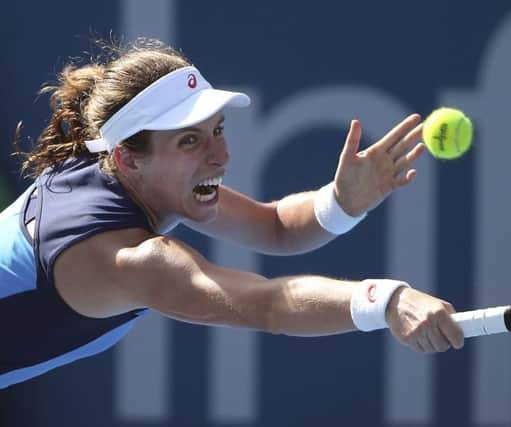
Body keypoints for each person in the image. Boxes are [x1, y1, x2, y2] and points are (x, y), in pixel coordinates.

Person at [0, 38, 463, 389]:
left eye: (217, 130)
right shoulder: (130, 259)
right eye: (190, 140)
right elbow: (268, 304)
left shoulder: (123, 168)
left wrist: (342, 202)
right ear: (127, 158)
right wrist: (388, 300)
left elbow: (277, 227)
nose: (220, 156)